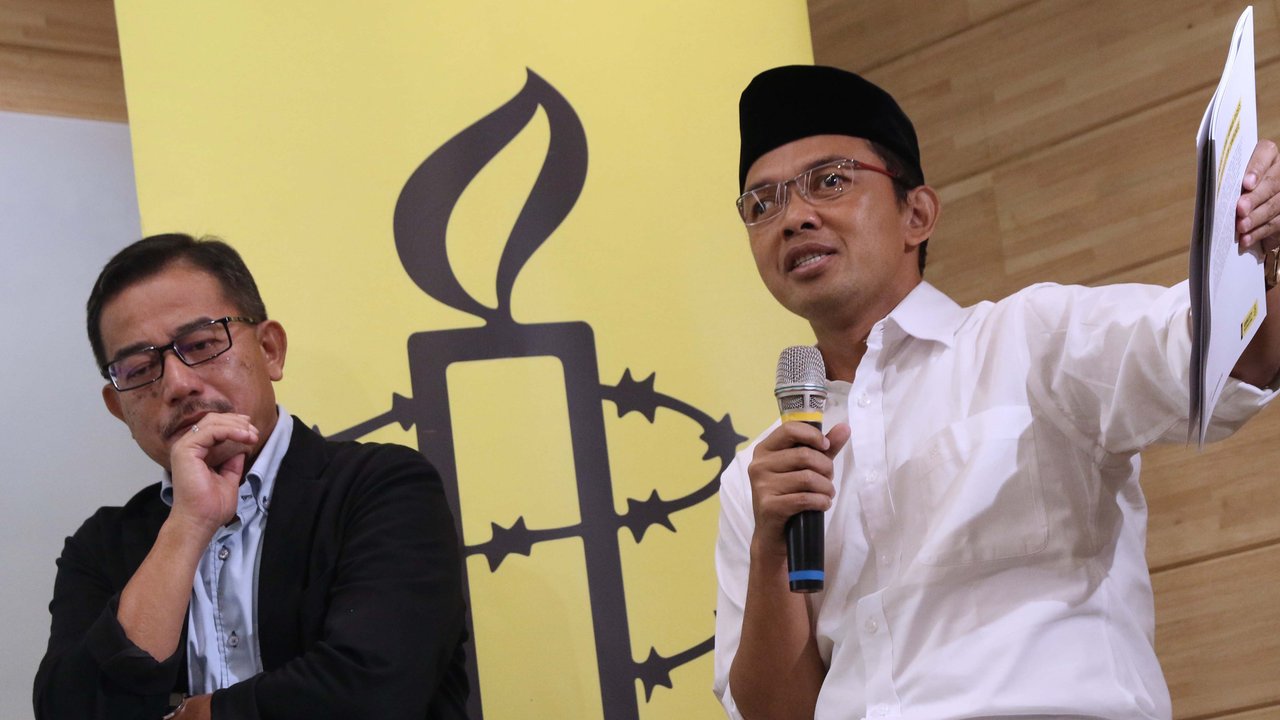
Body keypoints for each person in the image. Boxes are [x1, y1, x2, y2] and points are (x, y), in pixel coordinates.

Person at [713, 65, 1280, 719]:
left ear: (916, 214)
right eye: (763, 204)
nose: (793, 218)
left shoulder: (1031, 340)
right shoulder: (759, 480)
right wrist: (770, 546)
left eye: (830, 181)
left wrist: (1265, 247)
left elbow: (1237, 357)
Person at [34, 234, 469, 719]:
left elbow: (374, 688)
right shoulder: (100, 547)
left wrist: (201, 715)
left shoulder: (383, 488)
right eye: (139, 369)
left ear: (270, 350)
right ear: (119, 409)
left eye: (201, 344)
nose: (177, 384)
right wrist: (187, 526)